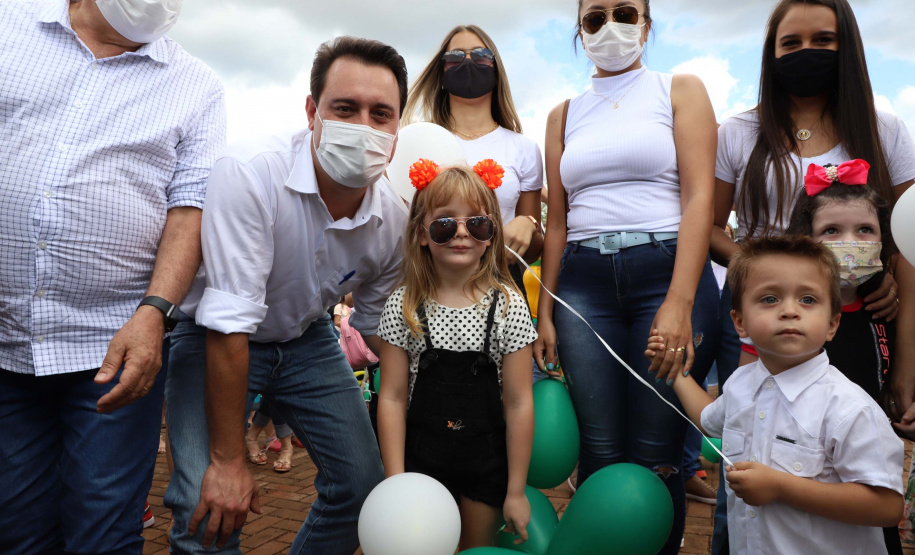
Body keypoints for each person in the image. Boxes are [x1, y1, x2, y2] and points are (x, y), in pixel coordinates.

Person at [163, 36, 408, 554]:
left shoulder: (396, 219)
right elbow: (229, 323)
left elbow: (372, 326)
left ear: (397, 128)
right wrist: (229, 462)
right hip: (218, 337)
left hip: (307, 337)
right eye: (345, 108)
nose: (363, 126)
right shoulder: (251, 171)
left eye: (380, 113)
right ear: (311, 110)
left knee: (362, 488)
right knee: (202, 503)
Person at [0, 0, 225, 552]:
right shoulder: (9, 26)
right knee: (16, 529)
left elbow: (189, 207)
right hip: (5, 341)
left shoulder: (197, 85)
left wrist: (156, 311)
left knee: (102, 531)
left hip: (116, 347)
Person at [710, 2, 915, 551]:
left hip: (865, 323)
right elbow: (709, 226)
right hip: (772, 324)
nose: (807, 54)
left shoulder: (884, 129)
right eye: (791, 43)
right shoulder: (738, 131)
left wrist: (907, 366)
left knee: (857, 458)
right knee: (752, 460)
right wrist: (761, 278)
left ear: (848, 46)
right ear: (771, 53)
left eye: (824, 41)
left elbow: (908, 244)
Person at [533, 1, 720, 551]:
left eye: (623, 11)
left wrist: (680, 300)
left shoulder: (678, 89)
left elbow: (699, 199)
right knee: (599, 449)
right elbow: (557, 224)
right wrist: (546, 311)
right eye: (594, 17)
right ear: (579, 30)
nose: (609, 26)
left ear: (646, 23)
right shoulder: (562, 115)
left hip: (666, 270)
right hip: (582, 284)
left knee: (658, 451)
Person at [661, 235, 904, 555]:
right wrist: (675, 371)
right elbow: (710, 420)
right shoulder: (740, 384)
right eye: (770, 299)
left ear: (832, 323)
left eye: (807, 299)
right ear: (740, 322)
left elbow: (886, 506)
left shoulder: (848, 408)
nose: (789, 310)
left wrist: (781, 487)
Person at [377, 162, 537, 550]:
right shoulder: (403, 305)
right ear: (420, 234)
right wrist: (396, 481)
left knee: (473, 548)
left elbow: (518, 403)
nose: (462, 232)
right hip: (420, 460)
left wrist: (515, 491)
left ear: (491, 235)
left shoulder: (508, 305)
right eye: (445, 224)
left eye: (477, 223)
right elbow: (392, 398)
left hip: (485, 463)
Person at [404, 25, 544, 289]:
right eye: (455, 58)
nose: (467, 62)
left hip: (501, 288)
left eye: (480, 56)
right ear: (442, 74)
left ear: (496, 69)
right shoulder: (419, 141)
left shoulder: (524, 148)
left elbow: (532, 251)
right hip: (431, 287)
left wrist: (529, 223)